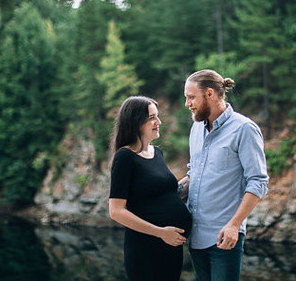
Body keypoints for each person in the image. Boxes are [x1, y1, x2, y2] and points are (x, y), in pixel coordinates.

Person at [180, 69, 269, 281]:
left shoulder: (244, 129)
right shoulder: (196, 128)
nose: (187, 103)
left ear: (209, 94)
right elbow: (195, 173)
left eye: (191, 97)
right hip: (195, 236)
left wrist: (234, 225)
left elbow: (258, 182)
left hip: (224, 237)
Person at [109, 96, 192, 281]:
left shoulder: (157, 152)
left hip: (171, 246)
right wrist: (161, 232)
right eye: (152, 118)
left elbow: (164, 193)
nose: (159, 122)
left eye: (157, 116)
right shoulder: (125, 157)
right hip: (146, 249)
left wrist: (194, 178)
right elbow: (116, 211)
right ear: (136, 122)